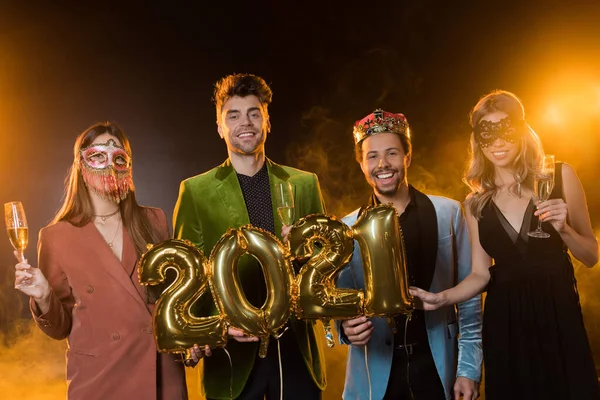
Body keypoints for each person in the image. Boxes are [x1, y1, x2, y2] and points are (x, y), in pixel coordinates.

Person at [410, 90, 600, 399]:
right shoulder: (475, 204)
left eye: (505, 130)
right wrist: (441, 298)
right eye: (488, 133)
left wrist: (563, 229)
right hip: (506, 321)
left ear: (522, 131)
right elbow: (480, 274)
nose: (498, 142)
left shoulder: (560, 176)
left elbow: (591, 255)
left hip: (558, 313)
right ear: (477, 140)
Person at [173, 73, 327, 400]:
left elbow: (327, 267)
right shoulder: (195, 192)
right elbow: (189, 280)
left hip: (295, 356)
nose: (246, 122)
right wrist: (210, 331)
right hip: (231, 361)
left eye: (254, 113)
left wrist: (302, 254)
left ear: (267, 121)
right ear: (220, 127)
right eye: (234, 115)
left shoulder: (304, 185)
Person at [13, 122, 188, 399]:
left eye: (119, 158)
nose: (109, 165)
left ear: (129, 167)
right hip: (99, 380)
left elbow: (175, 298)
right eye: (97, 156)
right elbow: (60, 328)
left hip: (160, 377)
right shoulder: (56, 237)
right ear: (81, 167)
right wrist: (44, 296)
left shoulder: (155, 221)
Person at [336, 109, 483, 400]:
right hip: (374, 373)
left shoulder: (449, 213)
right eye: (372, 156)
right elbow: (343, 303)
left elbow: (470, 303)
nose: (383, 164)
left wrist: (468, 369)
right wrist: (344, 329)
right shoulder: (346, 228)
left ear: (408, 157)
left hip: (438, 367)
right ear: (362, 165)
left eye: (392, 153)